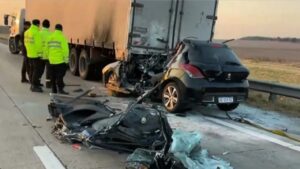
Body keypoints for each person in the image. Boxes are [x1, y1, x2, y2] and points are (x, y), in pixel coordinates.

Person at [46, 24, 69, 94]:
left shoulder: (50, 37)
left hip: (51, 61)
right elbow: (65, 50)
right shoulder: (62, 38)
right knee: (60, 76)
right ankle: (60, 89)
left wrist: (48, 57)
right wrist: (66, 60)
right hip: (60, 61)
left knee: (52, 77)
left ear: (55, 29)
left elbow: (46, 48)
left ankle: (54, 90)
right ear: (61, 30)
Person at [24, 19, 43, 92]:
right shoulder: (36, 32)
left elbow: (26, 43)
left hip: (29, 54)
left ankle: (32, 84)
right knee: (36, 70)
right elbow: (38, 45)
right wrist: (40, 54)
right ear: (38, 24)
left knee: (32, 69)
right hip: (35, 55)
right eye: (39, 24)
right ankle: (34, 86)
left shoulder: (27, 32)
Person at [39, 19, 52, 88]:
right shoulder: (51, 34)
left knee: (40, 70)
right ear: (49, 25)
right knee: (48, 71)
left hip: (40, 55)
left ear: (42, 25)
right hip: (48, 56)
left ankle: (38, 82)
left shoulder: (39, 33)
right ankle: (48, 84)